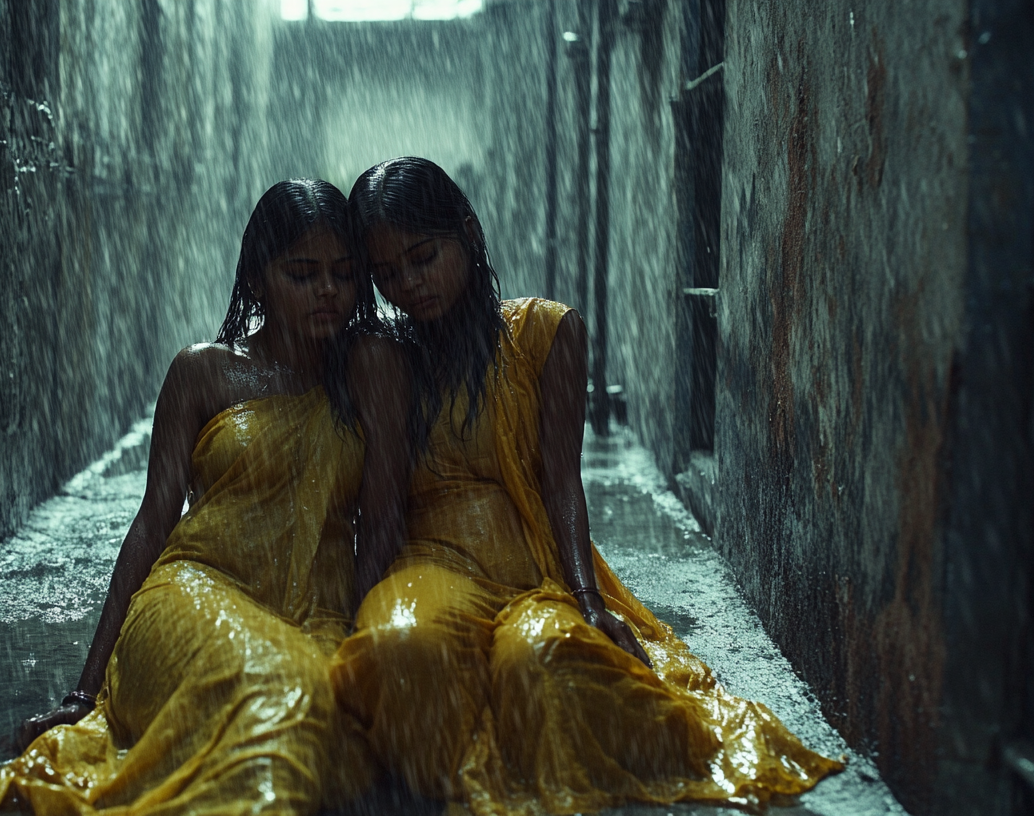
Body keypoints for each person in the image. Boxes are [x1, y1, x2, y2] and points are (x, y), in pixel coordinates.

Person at [332, 157, 844, 814]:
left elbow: (561, 482)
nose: (408, 284)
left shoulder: (548, 332)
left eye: (423, 257)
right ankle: (451, 768)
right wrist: (345, 613)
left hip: (534, 570)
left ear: (468, 232)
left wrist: (586, 597)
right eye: (387, 273)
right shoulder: (384, 356)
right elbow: (379, 509)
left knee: (543, 660)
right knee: (400, 648)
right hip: (431, 564)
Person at [0, 179, 387, 816]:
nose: (328, 291)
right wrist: (86, 693)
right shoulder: (202, 371)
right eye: (303, 273)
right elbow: (152, 524)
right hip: (195, 595)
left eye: (343, 273)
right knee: (282, 689)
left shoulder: (369, 374)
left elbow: (386, 519)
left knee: (318, 714)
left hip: (317, 613)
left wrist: (368, 643)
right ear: (258, 279)